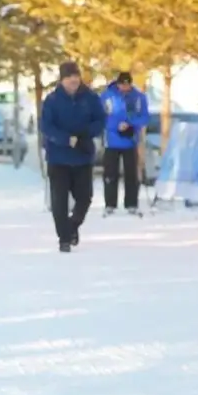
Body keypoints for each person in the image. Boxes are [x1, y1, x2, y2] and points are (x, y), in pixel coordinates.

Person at [40, 61, 106, 252]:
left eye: (76, 77)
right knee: (59, 201)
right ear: (62, 80)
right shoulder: (52, 100)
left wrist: (86, 134)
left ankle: (72, 226)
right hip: (58, 157)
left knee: (84, 198)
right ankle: (64, 239)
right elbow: (46, 126)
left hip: (82, 156)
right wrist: (65, 139)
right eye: (70, 78)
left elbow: (100, 120)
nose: (74, 81)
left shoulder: (90, 98)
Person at [100, 72, 149, 215]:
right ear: (118, 83)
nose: (125, 88)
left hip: (130, 141)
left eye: (128, 85)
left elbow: (145, 117)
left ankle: (131, 203)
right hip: (112, 141)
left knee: (131, 174)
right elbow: (101, 117)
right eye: (122, 84)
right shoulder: (107, 96)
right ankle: (110, 204)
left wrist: (130, 124)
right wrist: (115, 126)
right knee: (110, 173)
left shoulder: (139, 97)